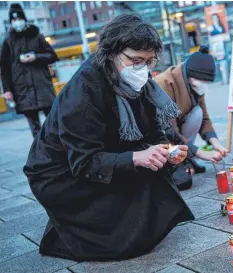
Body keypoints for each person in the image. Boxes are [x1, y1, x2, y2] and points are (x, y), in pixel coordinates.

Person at [23, 14, 193, 261]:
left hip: (102, 152)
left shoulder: (136, 80)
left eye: (148, 61)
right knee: (119, 242)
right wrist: (135, 157)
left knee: (154, 171)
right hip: (59, 173)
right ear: (112, 52)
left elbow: (153, 128)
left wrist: (168, 150)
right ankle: (69, 235)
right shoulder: (84, 89)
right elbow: (83, 162)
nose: (142, 69)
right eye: (135, 60)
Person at [155, 46, 228, 181]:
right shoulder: (165, 84)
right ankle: (181, 158)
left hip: (176, 134)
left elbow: (204, 119)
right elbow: (169, 131)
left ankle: (185, 155)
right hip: (161, 138)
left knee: (197, 113)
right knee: (183, 180)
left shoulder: (195, 86)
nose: (205, 85)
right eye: (203, 81)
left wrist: (215, 142)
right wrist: (199, 153)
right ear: (191, 76)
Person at [1, 3, 58, 137]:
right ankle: (43, 156)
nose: (16, 22)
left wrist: (35, 57)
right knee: (36, 130)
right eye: (13, 20)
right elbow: (4, 68)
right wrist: (7, 89)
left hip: (42, 88)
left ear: (24, 19)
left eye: (18, 19)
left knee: (54, 124)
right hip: (22, 91)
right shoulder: (8, 41)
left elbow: (53, 55)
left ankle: (60, 150)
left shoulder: (36, 35)